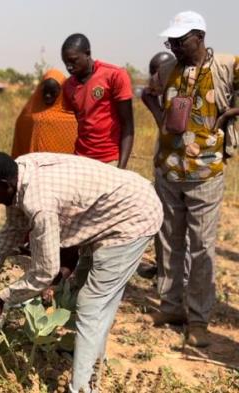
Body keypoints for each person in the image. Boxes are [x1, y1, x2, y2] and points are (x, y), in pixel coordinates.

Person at [0, 152, 162, 393]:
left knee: (92, 304)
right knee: (90, 298)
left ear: (3, 185)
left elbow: (44, 273)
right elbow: (13, 225)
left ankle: (82, 387)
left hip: (132, 217)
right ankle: (91, 360)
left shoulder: (39, 204)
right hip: (112, 208)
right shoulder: (19, 171)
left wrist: (2, 298)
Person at [141, 11, 239, 347]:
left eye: (179, 41)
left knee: (200, 249)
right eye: (171, 41)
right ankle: (170, 307)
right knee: (168, 242)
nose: (174, 47)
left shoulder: (227, 65)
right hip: (168, 169)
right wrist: (160, 122)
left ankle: (198, 320)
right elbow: (147, 93)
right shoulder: (168, 69)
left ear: (199, 36)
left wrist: (231, 113)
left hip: (205, 173)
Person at [61, 33, 135, 168]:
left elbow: (128, 126)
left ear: (87, 53)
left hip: (110, 159)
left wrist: (121, 168)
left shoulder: (114, 75)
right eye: (66, 63)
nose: (69, 67)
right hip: (81, 159)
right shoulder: (68, 86)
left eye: (73, 61)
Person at [137, 51, 176, 280]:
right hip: (163, 160)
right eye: (153, 71)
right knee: (162, 219)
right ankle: (163, 268)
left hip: (187, 166)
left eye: (158, 71)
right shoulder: (157, 95)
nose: (155, 76)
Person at [12, 69, 78, 157]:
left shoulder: (74, 116)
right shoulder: (29, 113)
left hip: (66, 167)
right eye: (45, 91)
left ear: (61, 90)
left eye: (52, 92)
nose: (47, 95)